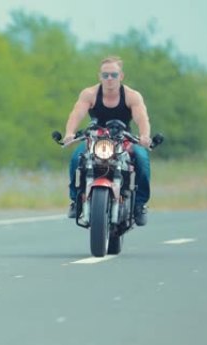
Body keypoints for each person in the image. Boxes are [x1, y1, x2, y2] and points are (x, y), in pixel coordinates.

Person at [63, 56, 152, 226]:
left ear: (121, 76)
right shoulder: (89, 94)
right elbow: (76, 114)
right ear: (100, 77)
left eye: (113, 75)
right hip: (95, 139)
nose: (109, 79)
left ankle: (140, 205)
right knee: (76, 158)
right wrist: (69, 133)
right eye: (105, 75)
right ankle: (75, 200)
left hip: (123, 139)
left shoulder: (132, 96)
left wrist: (144, 136)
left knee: (141, 158)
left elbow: (142, 119)